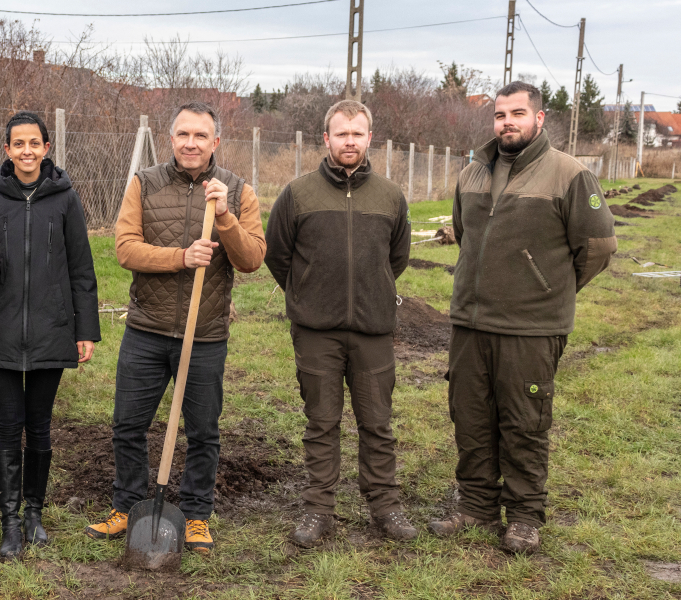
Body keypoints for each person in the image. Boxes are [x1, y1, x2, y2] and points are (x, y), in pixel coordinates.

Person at [429, 81, 616, 554]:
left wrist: (548, 290)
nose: (506, 122)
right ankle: (475, 504)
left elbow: (597, 247)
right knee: (470, 417)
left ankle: (526, 515)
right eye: (499, 115)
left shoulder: (568, 174)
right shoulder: (472, 172)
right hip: (471, 323)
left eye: (517, 113)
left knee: (524, 421)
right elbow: (467, 233)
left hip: (531, 328)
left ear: (539, 118)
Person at [84, 101, 266, 554]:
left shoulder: (239, 192)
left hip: (204, 337)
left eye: (200, 136)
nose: (191, 143)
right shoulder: (144, 184)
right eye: (183, 134)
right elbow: (125, 249)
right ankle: (126, 505)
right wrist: (180, 258)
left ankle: (198, 515)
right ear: (171, 139)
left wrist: (223, 217)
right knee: (128, 425)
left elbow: (252, 261)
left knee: (203, 431)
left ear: (215, 142)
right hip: (147, 329)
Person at [263, 100, 415, 548]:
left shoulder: (390, 196)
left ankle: (385, 506)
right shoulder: (298, 194)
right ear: (325, 139)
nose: (349, 141)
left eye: (358, 133)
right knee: (321, 423)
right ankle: (318, 509)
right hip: (316, 331)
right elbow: (278, 254)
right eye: (341, 133)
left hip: (373, 330)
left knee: (377, 423)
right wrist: (308, 292)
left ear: (371, 138)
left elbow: (398, 257)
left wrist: (372, 289)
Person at [0, 111, 101, 561]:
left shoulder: (65, 200)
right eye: (17, 144)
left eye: (34, 143)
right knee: (9, 427)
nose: (27, 151)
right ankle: (8, 522)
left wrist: (85, 330)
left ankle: (34, 514)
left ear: (46, 148)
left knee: (40, 427)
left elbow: (82, 268)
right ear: (6, 150)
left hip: (50, 329)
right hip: (1, 331)